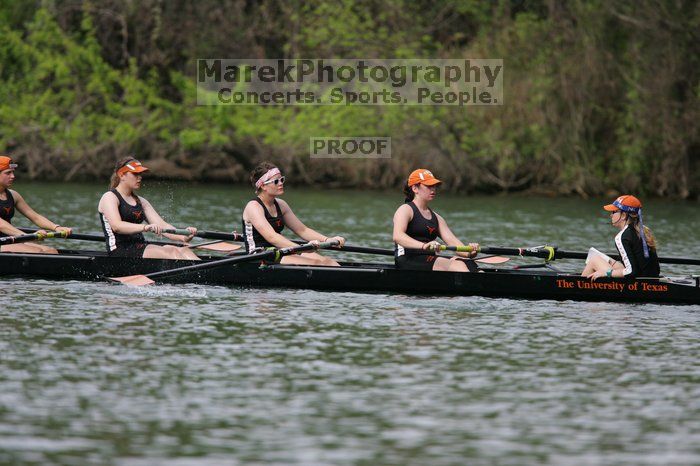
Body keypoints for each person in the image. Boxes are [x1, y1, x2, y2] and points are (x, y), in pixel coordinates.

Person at [241, 161, 346, 266]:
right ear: (263, 186)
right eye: (276, 181)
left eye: (282, 179)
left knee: (327, 261)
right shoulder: (253, 207)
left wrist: (327, 239)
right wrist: (301, 249)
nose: (281, 183)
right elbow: (271, 237)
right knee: (315, 263)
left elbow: (302, 230)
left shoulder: (281, 205)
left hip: (279, 251)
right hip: (259, 256)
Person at [97, 157, 200, 260]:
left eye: (140, 174)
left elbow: (163, 225)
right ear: (121, 175)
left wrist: (184, 236)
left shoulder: (141, 201)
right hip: (119, 252)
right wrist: (146, 227)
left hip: (139, 246)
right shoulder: (109, 197)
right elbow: (117, 226)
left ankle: (203, 271)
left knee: (183, 249)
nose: (140, 177)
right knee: (171, 252)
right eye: (135, 174)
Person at [392, 168, 479, 272]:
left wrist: (471, 251)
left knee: (468, 263)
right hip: (408, 260)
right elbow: (397, 236)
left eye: (434, 186)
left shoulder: (437, 218)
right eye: (428, 186)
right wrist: (424, 246)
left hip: (429, 260)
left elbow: (454, 243)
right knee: (457, 265)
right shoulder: (405, 210)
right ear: (415, 188)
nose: (433, 189)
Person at [0, 155, 72, 254]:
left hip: (8, 239)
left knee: (51, 251)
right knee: (37, 252)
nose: (13, 176)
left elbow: (35, 217)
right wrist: (26, 236)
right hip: (5, 241)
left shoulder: (13, 195)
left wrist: (56, 227)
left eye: (12, 172)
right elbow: (1, 225)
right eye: (8, 173)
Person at [583, 194, 660, 280]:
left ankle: (577, 287)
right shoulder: (643, 230)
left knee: (594, 260)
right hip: (651, 278)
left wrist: (607, 273)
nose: (611, 215)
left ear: (623, 215)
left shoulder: (622, 237)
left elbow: (631, 271)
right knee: (601, 258)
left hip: (638, 283)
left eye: (613, 212)